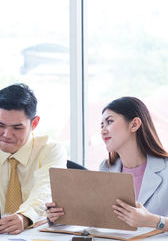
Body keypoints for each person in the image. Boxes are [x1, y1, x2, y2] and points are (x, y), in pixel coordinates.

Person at [46, 96, 168, 231]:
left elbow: (150, 222)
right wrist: (61, 217)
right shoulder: (106, 168)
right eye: (101, 125)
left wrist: (153, 221)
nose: (103, 131)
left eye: (109, 121)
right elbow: (96, 220)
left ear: (134, 124)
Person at [0, 84, 67, 235]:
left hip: (39, 234)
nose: (6, 134)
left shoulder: (51, 151)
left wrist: (24, 217)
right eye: (0, 125)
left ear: (34, 123)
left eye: (17, 128)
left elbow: (45, 191)